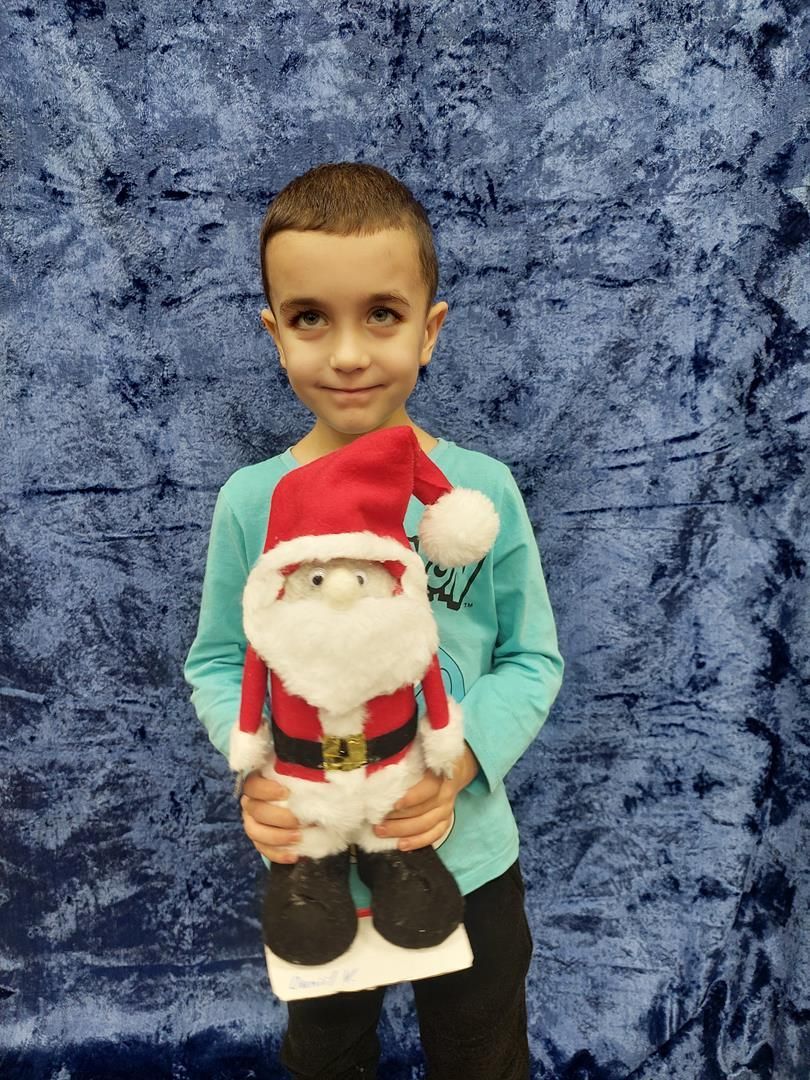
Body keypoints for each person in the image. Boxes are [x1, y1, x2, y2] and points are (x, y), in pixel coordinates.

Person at [184, 162, 565, 1080]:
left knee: (480, 1051)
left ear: (430, 330)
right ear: (275, 334)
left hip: (464, 854)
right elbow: (219, 662)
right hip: (313, 861)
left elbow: (533, 658)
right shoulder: (250, 501)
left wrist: (462, 759)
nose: (348, 353)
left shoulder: (480, 492)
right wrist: (256, 773)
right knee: (327, 1055)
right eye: (311, 318)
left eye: (383, 315)